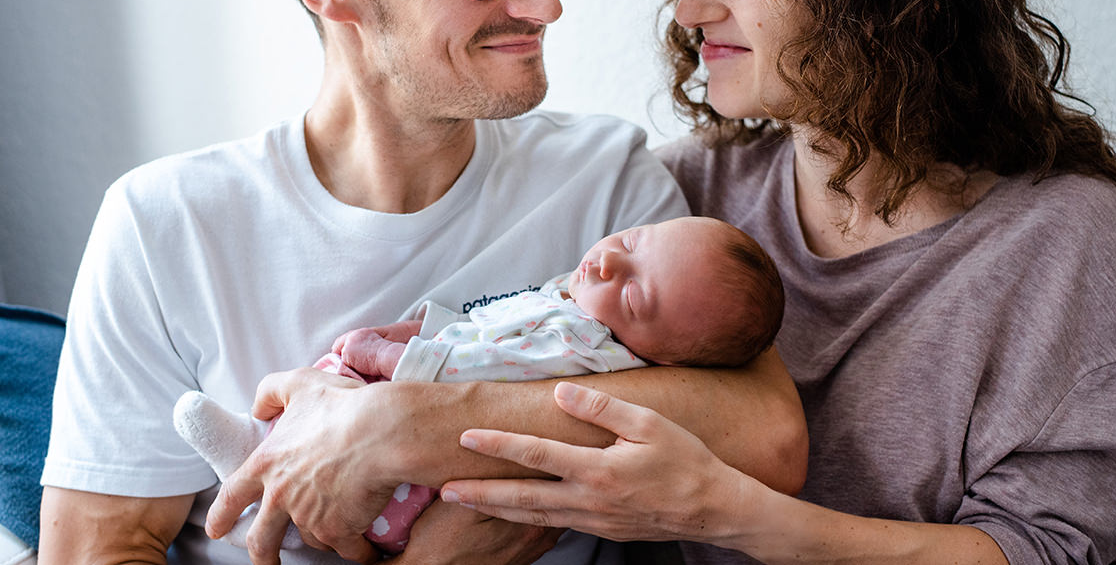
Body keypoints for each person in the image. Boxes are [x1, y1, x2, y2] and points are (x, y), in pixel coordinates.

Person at [38, 0, 807, 564]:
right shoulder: (168, 222)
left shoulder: (602, 180)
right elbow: (98, 549)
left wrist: (399, 426)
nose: (544, 3)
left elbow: (763, 433)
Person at [432, 0, 1116, 565]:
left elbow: (1050, 549)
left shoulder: (1056, 233)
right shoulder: (682, 197)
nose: (690, 5)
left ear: (881, 3)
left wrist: (731, 515)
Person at [174, 216, 785, 554]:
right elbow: (485, 325)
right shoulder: (571, 297)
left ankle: (258, 477)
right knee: (328, 402)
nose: (604, 263)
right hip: (424, 389)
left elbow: (486, 366)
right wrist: (425, 328)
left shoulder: (583, 348)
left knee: (346, 409)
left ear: (664, 355)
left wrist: (390, 356)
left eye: (633, 293)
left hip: (422, 477)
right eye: (627, 242)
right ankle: (258, 450)